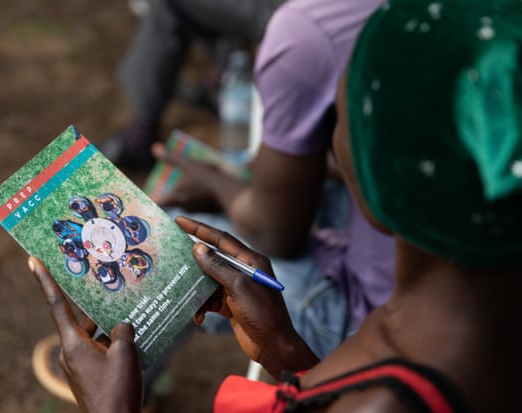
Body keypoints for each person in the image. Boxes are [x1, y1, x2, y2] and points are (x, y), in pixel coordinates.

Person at [27, 0, 522, 410]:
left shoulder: (379, 403)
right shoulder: (457, 356)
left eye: (341, 122)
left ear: (379, 181)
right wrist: (286, 353)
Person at [154, 0, 394, 358]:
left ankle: (124, 363)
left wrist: (220, 185)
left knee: (163, 244)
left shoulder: (311, 32)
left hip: (373, 317)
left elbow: (276, 236)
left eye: (341, 123)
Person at [105, 0, 285, 171]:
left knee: (170, 3)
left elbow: (260, 204)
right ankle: (222, 79)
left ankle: (141, 133)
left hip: (289, 12)